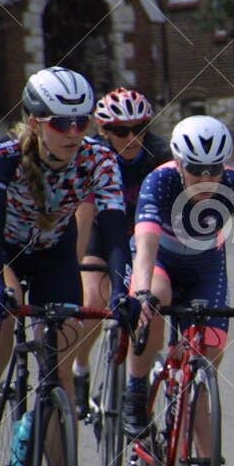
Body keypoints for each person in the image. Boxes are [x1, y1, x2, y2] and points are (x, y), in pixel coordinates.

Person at [0, 67, 131, 466]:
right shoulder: (5, 157)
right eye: (61, 123)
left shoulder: (98, 158)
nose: (75, 132)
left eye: (82, 121)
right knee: (4, 314)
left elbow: (116, 233)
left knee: (59, 377)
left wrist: (123, 293)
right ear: (35, 122)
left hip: (53, 254)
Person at [123, 117, 234, 466]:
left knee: (204, 366)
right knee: (155, 299)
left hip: (206, 269)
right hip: (160, 264)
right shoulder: (158, 183)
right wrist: (141, 293)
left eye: (215, 168)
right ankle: (136, 389)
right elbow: (145, 247)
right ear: (178, 162)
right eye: (197, 169)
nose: (206, 177)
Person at [73, 87, 170, 412]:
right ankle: (81, 366)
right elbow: (83, 215)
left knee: (152, 299)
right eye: (120, 131)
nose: (131, 137)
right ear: (104, 132)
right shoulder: (94, 157)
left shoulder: (160, 154)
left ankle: (143, 366)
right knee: (93, 301)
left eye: (139, 128)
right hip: (101, 234)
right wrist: (73, 262)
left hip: (142, 235)